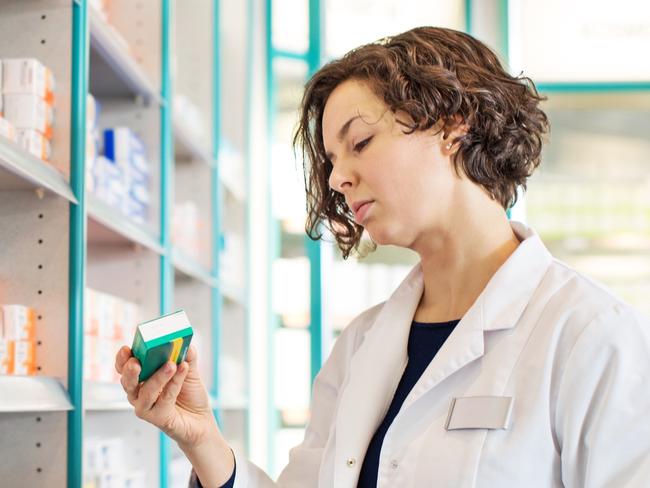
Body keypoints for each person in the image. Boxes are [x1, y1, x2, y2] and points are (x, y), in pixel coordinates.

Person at [115, 27, 650, 487]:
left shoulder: (590, 333)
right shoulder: (363, 343)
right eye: (330, 160)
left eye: (361, 142)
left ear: (452, 123)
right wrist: (202, 438)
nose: (338, 178)